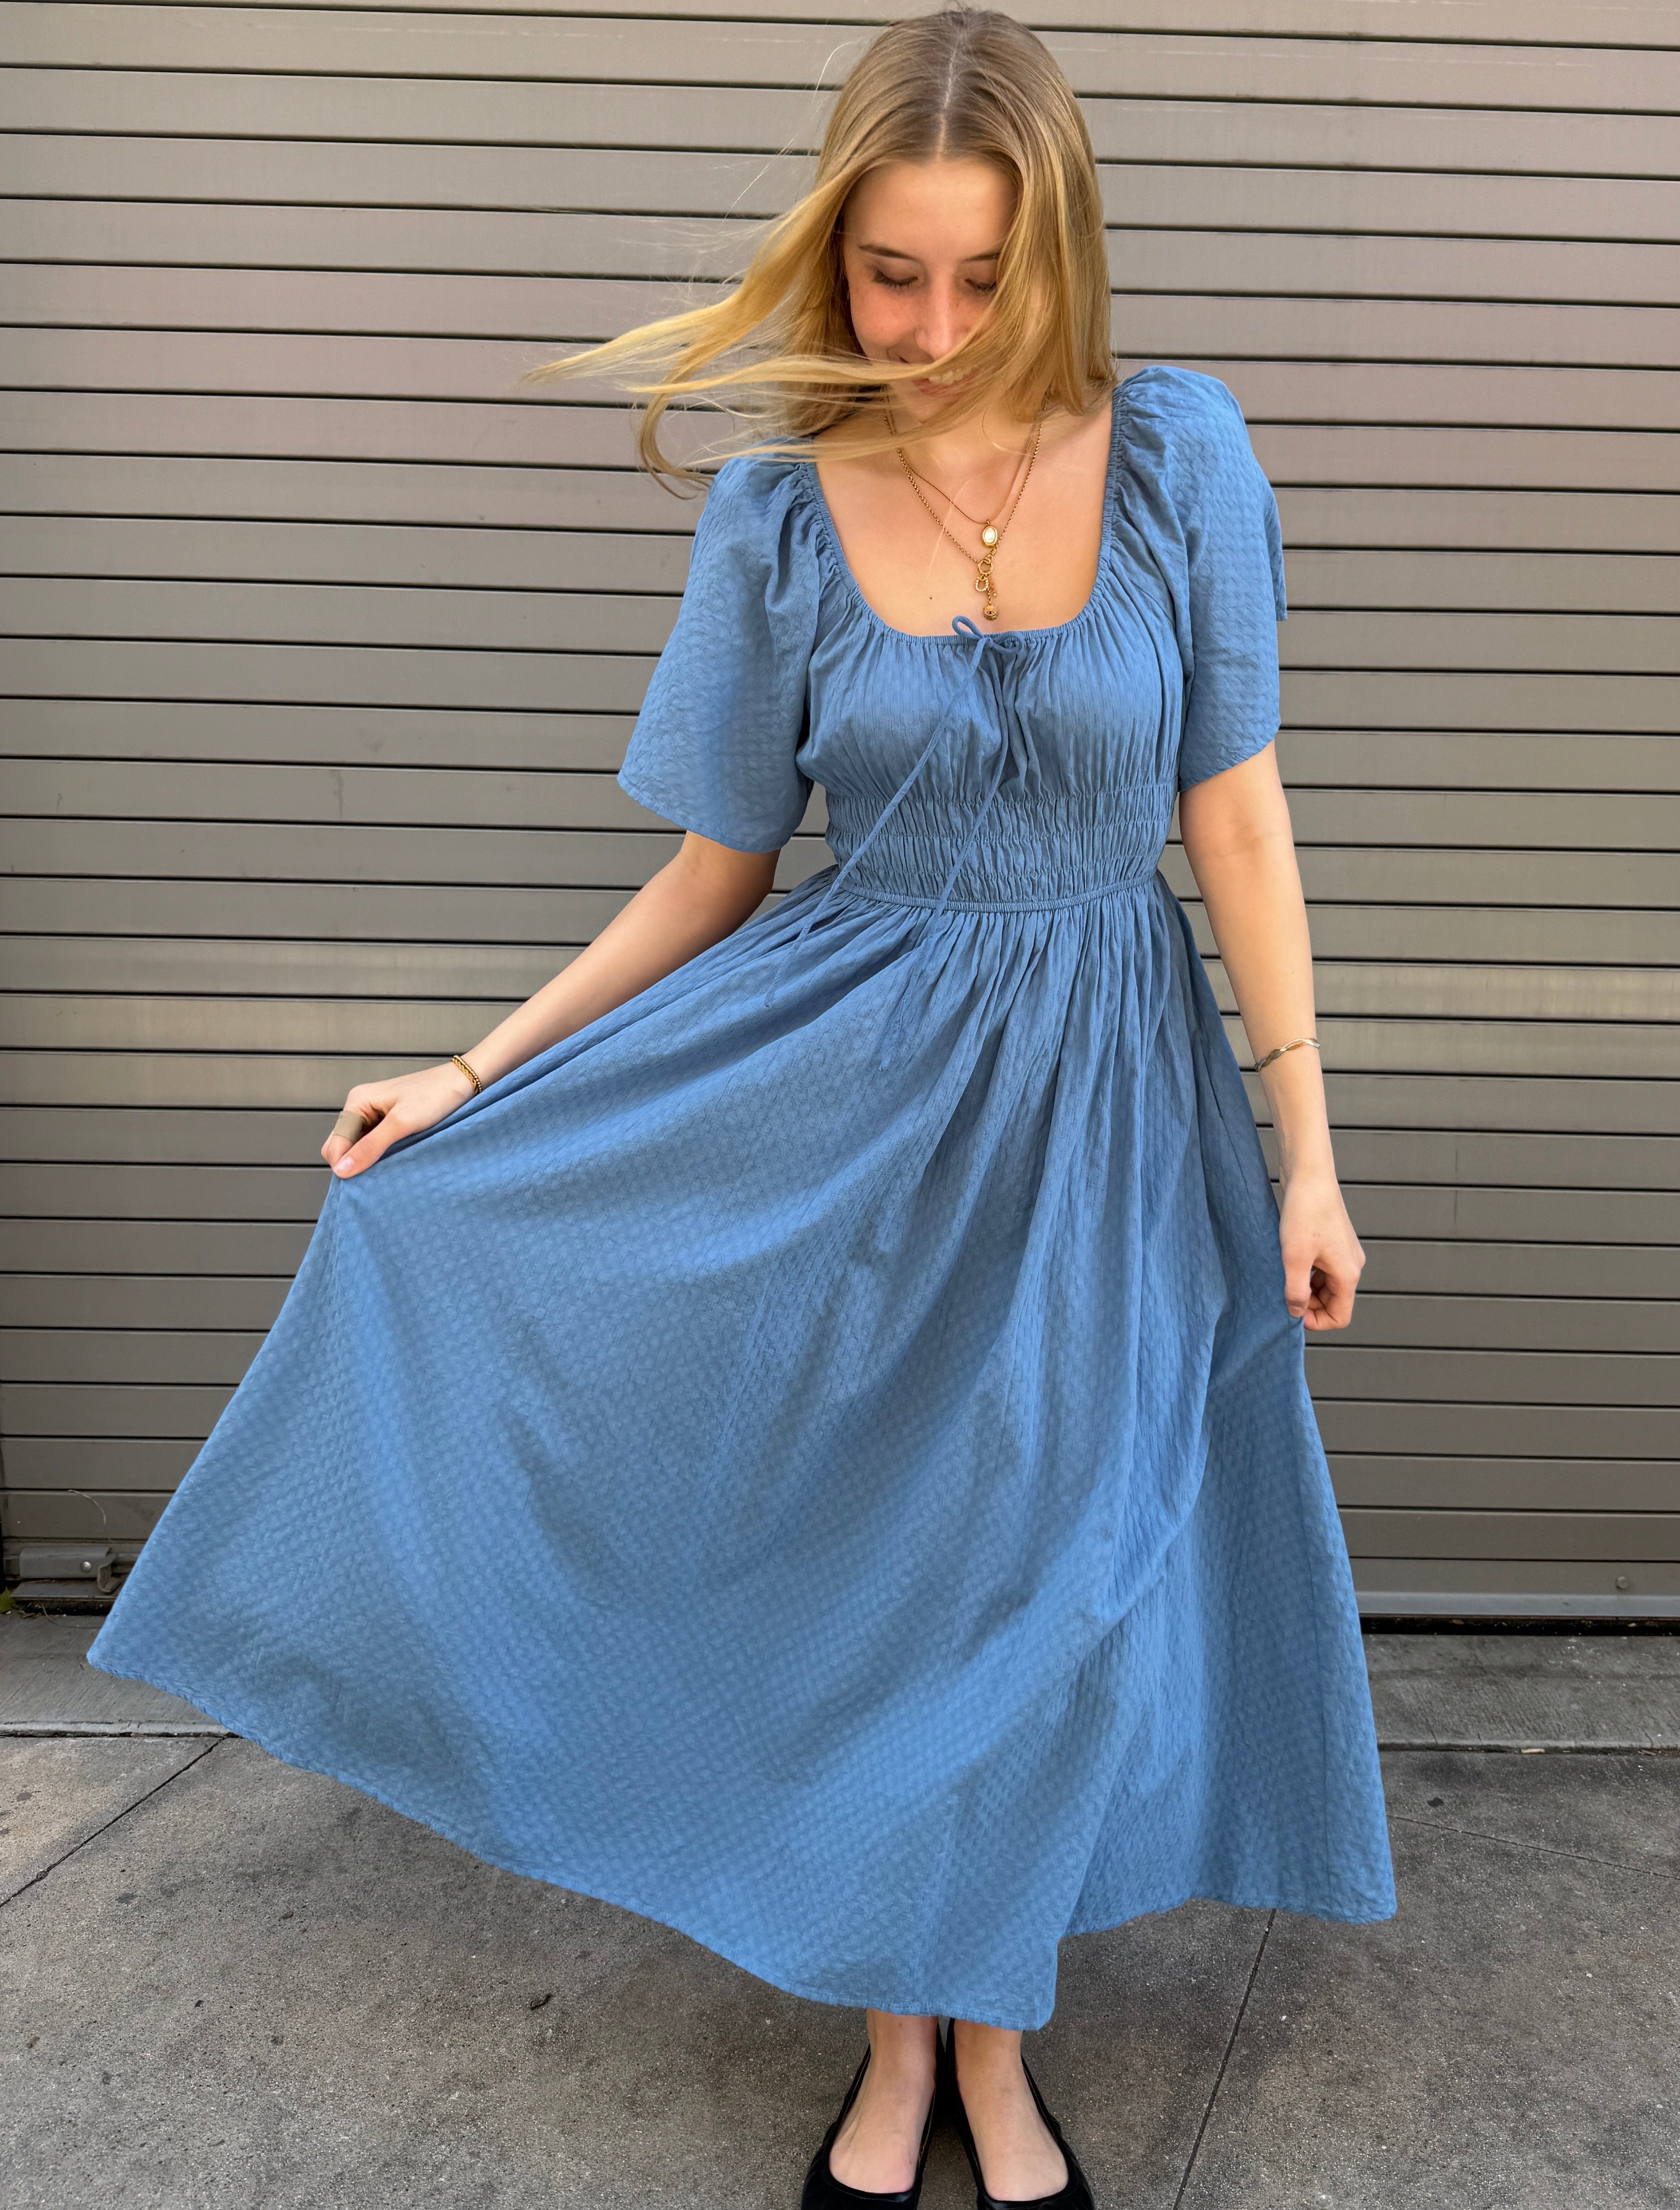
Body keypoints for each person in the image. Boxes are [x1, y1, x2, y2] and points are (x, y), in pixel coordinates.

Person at [89, 7, 1397, 2205]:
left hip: (1105, 1122)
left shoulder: (1179, 455)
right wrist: (477, 1071)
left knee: (1050, 1594)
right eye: (894, 272)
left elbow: (1238, 827)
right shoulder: (784, 513)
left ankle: (994, 2053)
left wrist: (1309, 1152)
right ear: (838, 247)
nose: (934, 325)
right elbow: (715, 866)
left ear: (1060, 249)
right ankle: (918, 2058)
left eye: (986, 277)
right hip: (854, 1119)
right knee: (896, 1586)